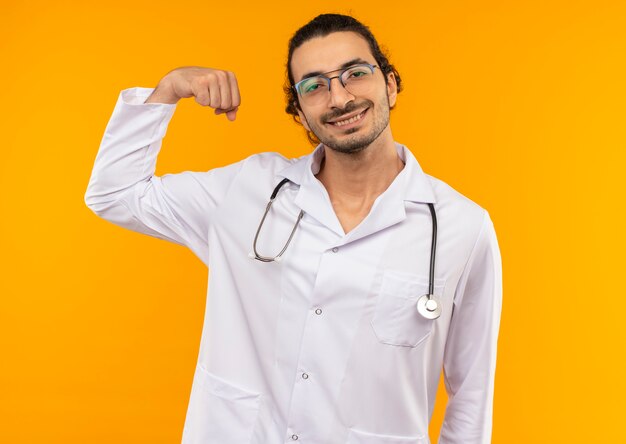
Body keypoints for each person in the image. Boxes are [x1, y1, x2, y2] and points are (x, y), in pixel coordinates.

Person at [84, 13, 502, 444]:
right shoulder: (248, 190)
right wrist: (168, 90)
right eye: (314, 86)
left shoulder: (461, 228)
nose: (339, 98)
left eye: (355, 74)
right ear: (300, 114)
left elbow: (471, 398)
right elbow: (114, 194)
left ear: (391, 85)